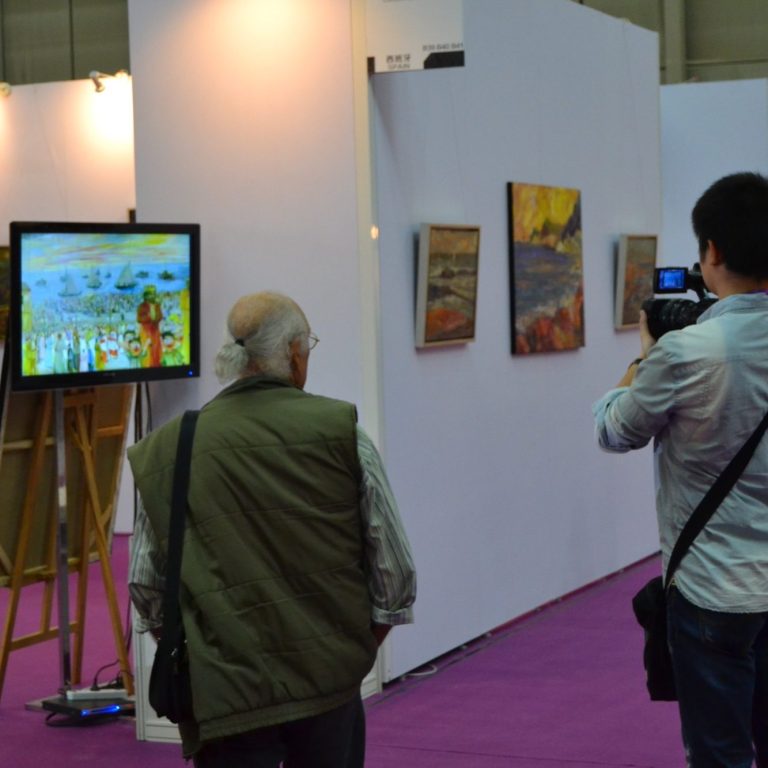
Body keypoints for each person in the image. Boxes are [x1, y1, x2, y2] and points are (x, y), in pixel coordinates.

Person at [128, 291, 417, 767]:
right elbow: (395, 573)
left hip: (224, 695)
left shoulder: (170, 448)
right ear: (295, 354)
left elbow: (145, 584)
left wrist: (197, 654)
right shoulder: (343, 432)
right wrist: (351, 651)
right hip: (328, 683)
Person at [593, 172, 768, 768]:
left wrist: (644, 356)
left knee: (720, 753)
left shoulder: (685, 352)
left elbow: (616, 430)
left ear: (712, 252)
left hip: (712, 587)